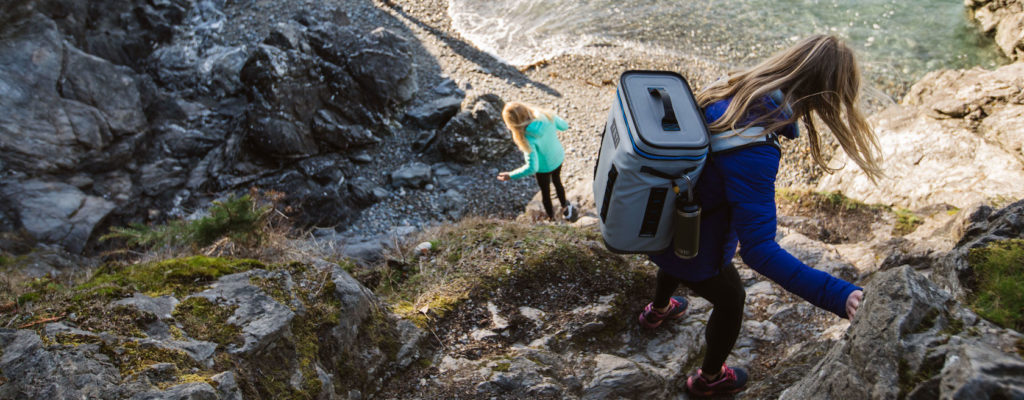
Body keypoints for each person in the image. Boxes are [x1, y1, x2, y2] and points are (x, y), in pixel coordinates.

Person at [636, 34, 883, 397]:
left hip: (659, 220)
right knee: (731, 298)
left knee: (673, 260)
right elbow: (759, 250)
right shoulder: (754, 149)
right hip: (699, 244)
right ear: (825, 96)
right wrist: (838, 294)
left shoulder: (729, 88)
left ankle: (657, 310)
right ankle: (709, 379)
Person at [497, 101, 578, 222]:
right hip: (557, 157)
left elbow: (532, 168)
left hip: (543, 168)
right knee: (557, 181)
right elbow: (564, 126)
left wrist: (510, 175)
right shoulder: (545, 116)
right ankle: (566, 207)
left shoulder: (527, 138)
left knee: (546, 192)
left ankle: (552, 218)